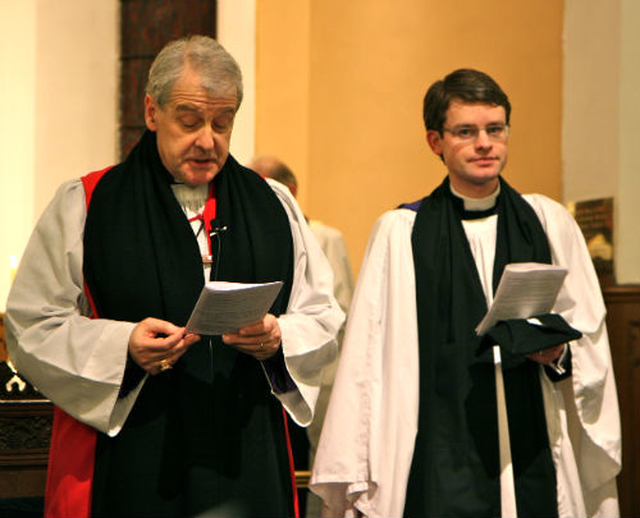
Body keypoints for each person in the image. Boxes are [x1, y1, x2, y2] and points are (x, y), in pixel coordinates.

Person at [5, 35, 344, 518]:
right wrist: (122, 346)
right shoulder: (87, 202)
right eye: (189, 121)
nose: (207, 140)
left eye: (222, 124)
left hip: (244, 447)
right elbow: (30, 325)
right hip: (136, 449)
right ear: (151, 112)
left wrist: (277, 336)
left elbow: (323, 315)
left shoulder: (274, 205)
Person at [310, 69, 621, 518]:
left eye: (495, 129)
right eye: (466, 132)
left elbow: (588, 334)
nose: (484, 144)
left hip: (529, 436)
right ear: (436, 142)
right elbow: (368, 359)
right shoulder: (401, 234)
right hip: (438, 440)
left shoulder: (548, 222)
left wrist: (557, 355)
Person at [248, 155, 354, 517]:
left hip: (319, 365)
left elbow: (338, 305)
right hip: (269, 358)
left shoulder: (326, 236)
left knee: (317, 455)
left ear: (289, 190)